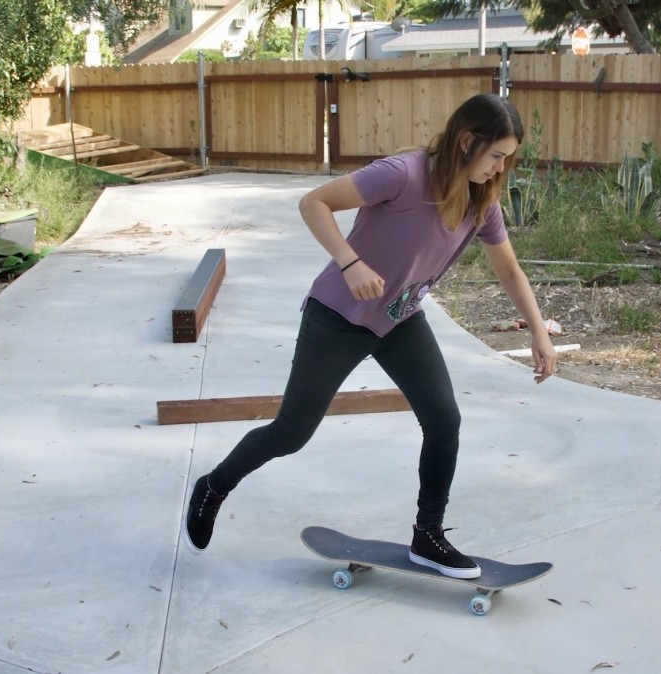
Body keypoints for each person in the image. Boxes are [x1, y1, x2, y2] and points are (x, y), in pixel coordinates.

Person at [183, 93, 557, 579]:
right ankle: (214, 486)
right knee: (292, 432)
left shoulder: (481, 201)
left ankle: (428, 536)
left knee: (444, 420)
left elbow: (508, 270)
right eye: (497, 155)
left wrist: (539, 332)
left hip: (399, 320)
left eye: (508, 159)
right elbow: (314, 202)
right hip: (338, 316)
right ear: (468, 141)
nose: (501, 168)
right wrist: (350, 262)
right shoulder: (403, 174)